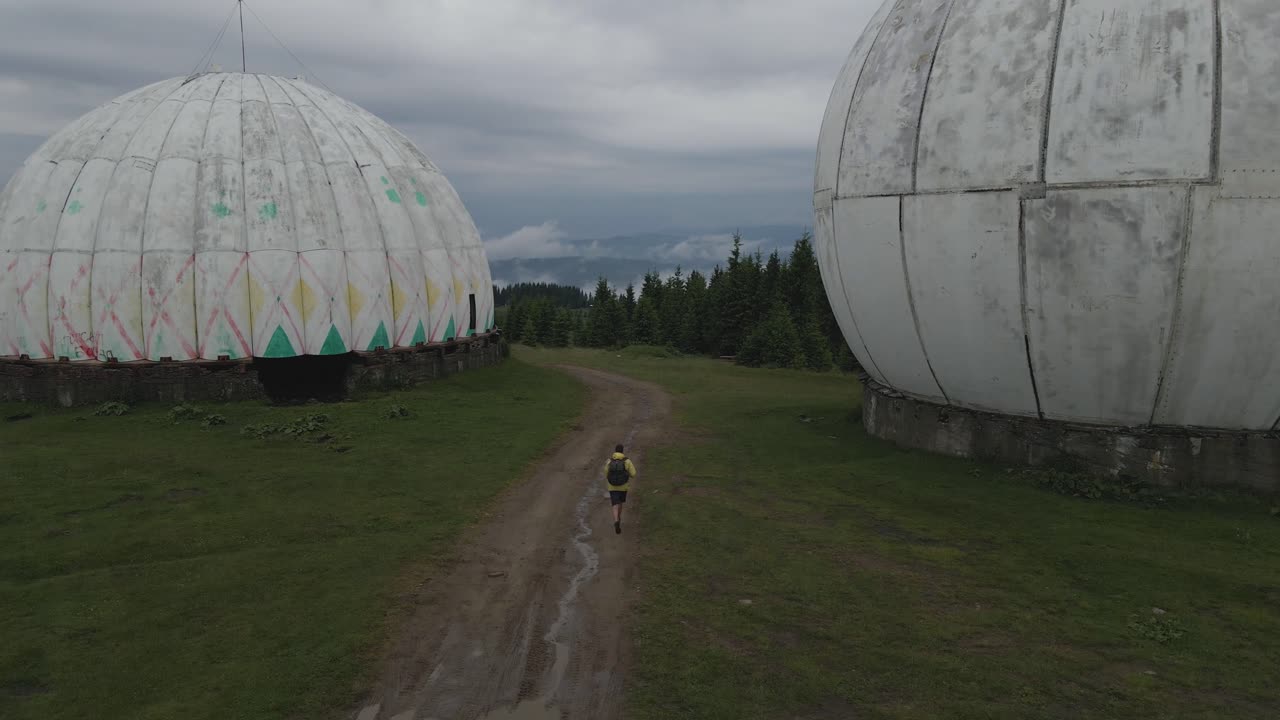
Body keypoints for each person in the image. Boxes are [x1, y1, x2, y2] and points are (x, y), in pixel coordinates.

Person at [604, 443, 636, 534]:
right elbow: (633, 474)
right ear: (622, 451)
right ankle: (619, 518)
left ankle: (616, 520)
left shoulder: (609, 461)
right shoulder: (627, 461)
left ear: (615, 451)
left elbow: (606, 473)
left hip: (612, 486)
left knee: (615, 504)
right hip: (623, 487)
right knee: (620, 503)